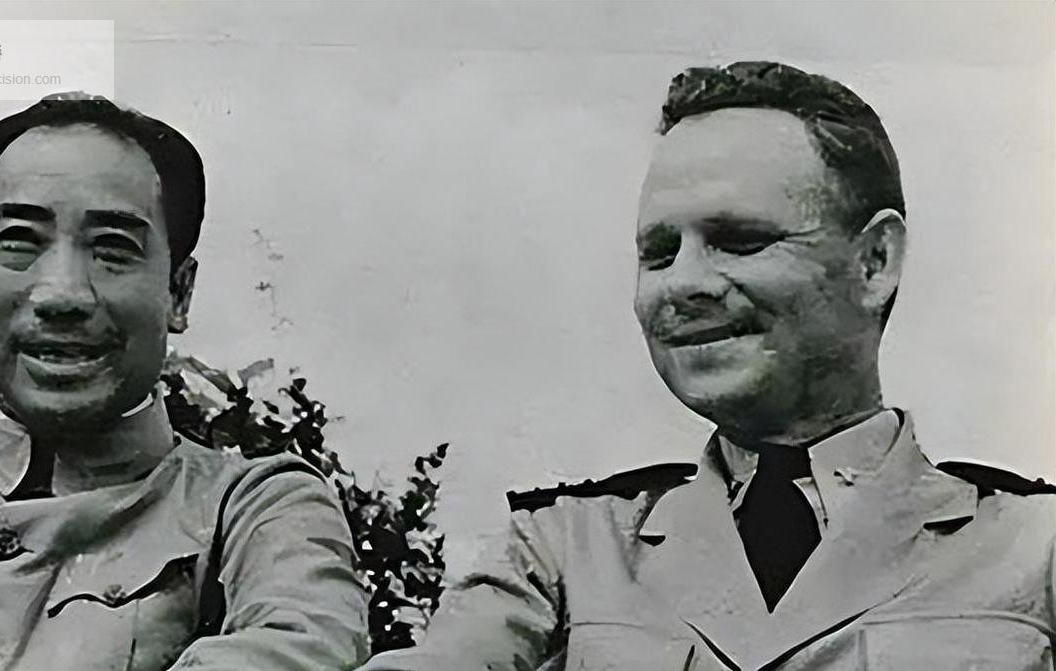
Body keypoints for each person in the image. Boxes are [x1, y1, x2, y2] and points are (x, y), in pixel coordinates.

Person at [360, 62, 1056, 670]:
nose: (684, 282)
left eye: (740, 240)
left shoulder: (1033, 547)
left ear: (874, 262)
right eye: (659, 253)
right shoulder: (566, 548)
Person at [0, 94, 369, 671]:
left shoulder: (252, 511)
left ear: (178, 293)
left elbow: (298, 648)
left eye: (113, 248)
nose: (62, 294)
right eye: (20, 240)